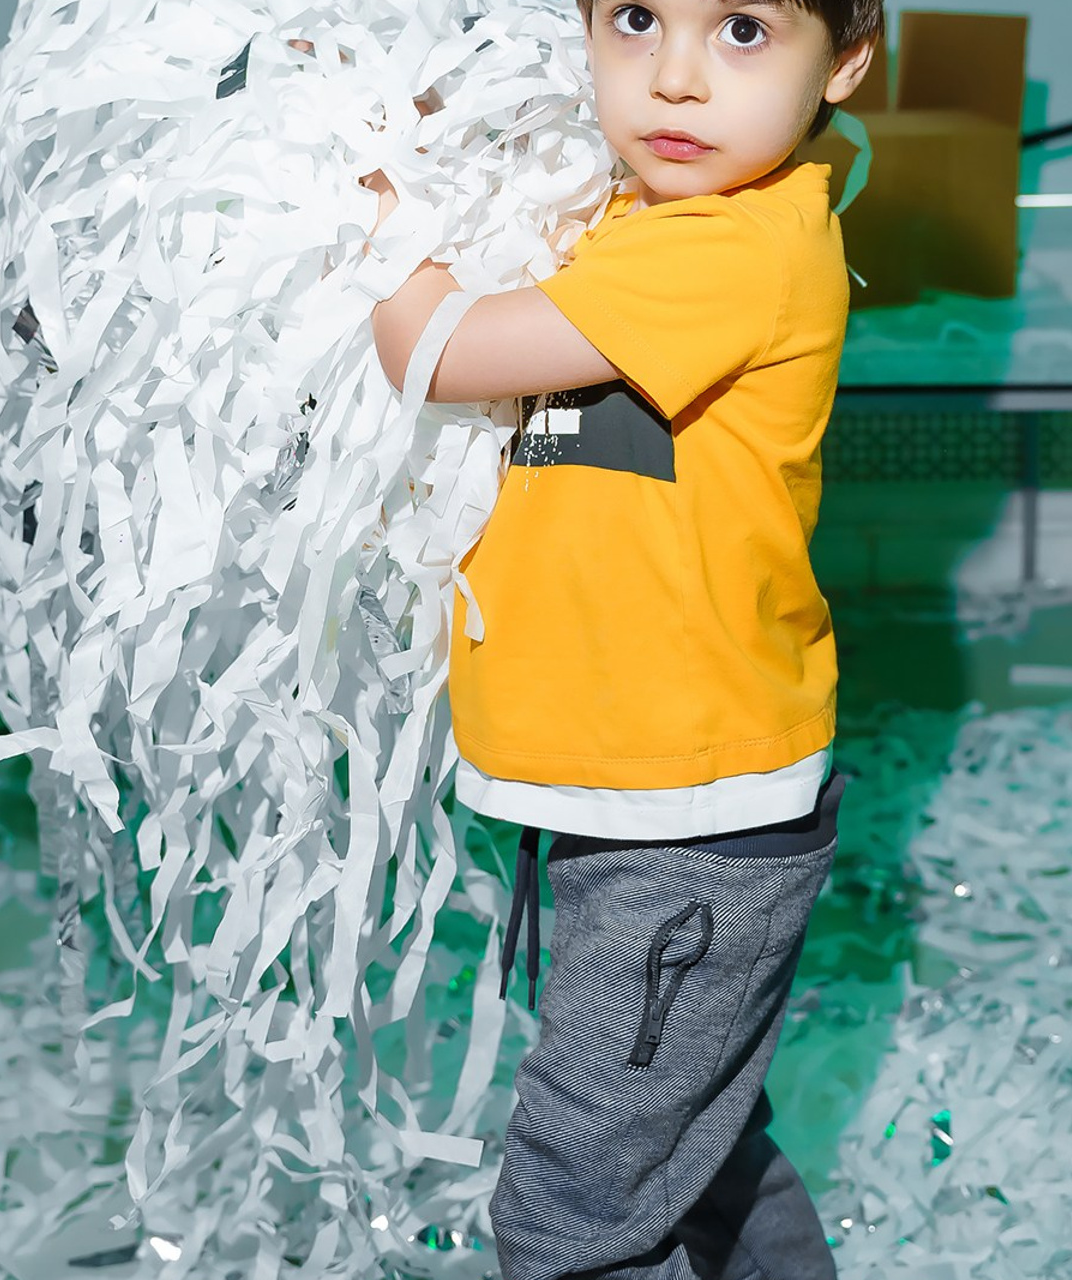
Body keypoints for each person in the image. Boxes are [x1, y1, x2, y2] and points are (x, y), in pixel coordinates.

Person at [370, 0, 882, 1275]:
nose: (675, 78)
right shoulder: (630, 214)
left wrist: (373, 194)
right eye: (637, 19)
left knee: (569, 1218)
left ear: (846, 66)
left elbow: (440, 348)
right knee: (689, 1150)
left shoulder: (733, 246)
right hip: (630, 795)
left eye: (744, 32)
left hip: (689, 823)